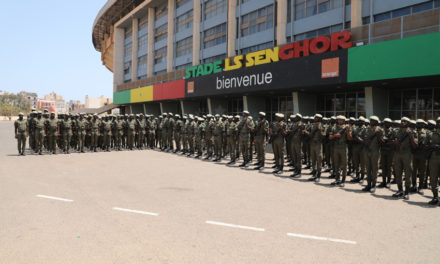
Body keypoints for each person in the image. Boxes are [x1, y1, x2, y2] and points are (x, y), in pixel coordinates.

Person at [391, 117, 418, 200]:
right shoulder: (396, 131)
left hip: (407, 155)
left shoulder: (413, 132)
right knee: (398, 173)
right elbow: (389, 140)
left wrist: (411, 137)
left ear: (408, 123)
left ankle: (407, 192)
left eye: (405, 121)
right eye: (402, 121)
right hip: (397, 154)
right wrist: (394, 142)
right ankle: (400, 190)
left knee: (407, 174)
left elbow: (415, 146)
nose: (402, 122)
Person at [358, 116, 383, 193]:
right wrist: (363, 142)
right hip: (366, 151)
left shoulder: (379, 130)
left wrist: (378, 136)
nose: (371, 122)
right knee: (368, 169)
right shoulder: (366, 129)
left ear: (377, 122)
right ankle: (368, 185)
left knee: (374, 169)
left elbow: (382, 142)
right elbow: (358, 136)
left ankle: (373, 185)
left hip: (375, 152)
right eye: (371, 120)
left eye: (373, 121)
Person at [329, 116, 352, 187]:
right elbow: (330, 137)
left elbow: (350, 138)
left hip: (343, 148)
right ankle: (337, 179)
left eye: (341, 120)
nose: (339, 121)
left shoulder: (347, 127)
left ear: (344, 121)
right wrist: (335, 135)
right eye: (338, 119)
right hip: (336, 147)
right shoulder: (334, 127)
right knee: (336, 164)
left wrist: (348, 131)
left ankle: (343, 180)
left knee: (344, 164)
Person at [424, 117, 440, 205]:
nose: (439, 123)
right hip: (433, 158)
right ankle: (435, 197)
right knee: (433, 178)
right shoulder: (431, 133)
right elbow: (425, 146)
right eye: (438, 122)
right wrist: (432, 146)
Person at [304, 114, 324, 182]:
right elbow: (310, 134)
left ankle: (318, 175)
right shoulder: (312, 125)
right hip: (312, 144)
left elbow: (324, 136)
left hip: (318, 144)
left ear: (320, 119)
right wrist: (305, 132)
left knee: (319, 159)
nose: (315, 118)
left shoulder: (322, 125)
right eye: (315, 117)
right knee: (313, 159)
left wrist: (320, 130)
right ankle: (314, 173)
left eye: (317, 118)